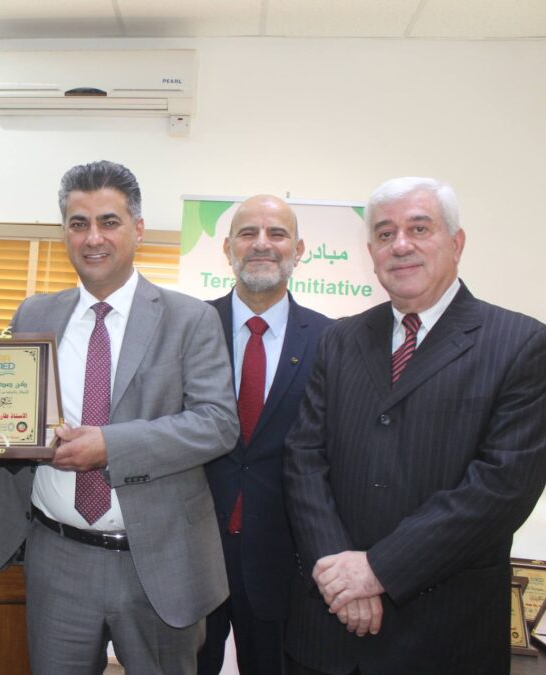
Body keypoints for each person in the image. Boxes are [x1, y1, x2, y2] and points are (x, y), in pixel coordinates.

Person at [284, 176, 546, 674]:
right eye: (385, 234)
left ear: (457, 243)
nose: (401, 245)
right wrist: (339, 572)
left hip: (444, 636)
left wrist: (377, 570)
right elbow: (304, 458)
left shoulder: (522, 344)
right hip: (327, 631)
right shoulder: (339, 340)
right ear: (371, 252)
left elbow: (502, 487)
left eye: (419, 228)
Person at [0, 160, 239, 674]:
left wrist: (111, 447)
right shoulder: (33, 314)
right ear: (65, 232)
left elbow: (217, 423)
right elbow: (11, 411)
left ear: (138, 229)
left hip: (158, 560)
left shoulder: (191, 318)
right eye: (78, 224)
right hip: (57, 556)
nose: (93, 238)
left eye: (109, 222)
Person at [199, 195, 332, 675]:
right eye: (247, 233)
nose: (261, 244)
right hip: (193, 556)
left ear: (298, 250)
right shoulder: (188, 326)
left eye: (277, 234)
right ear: (227, 248)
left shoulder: (331, 340)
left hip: (283, 562)